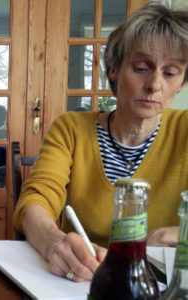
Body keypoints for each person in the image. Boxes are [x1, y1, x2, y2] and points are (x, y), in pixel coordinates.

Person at [13, 3, 188, 282]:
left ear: (181, 83)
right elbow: (36, 200)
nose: (155, 85)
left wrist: (184, 233)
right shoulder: (71, 130)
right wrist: (53, 241)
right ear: (115, 69)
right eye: (142, 68)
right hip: (79, 283)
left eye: (170, 73)